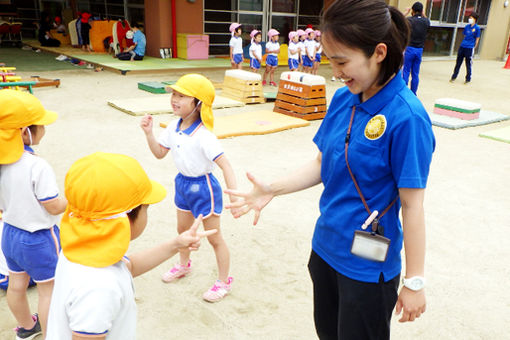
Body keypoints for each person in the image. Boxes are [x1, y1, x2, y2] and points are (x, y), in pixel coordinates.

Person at [226, 0, 435, 338]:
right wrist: (272, 189)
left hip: (367, 268)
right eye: (331, 60)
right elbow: (322, 164)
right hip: (325, 251)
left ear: (379, 52)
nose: (335, 72)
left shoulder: (406, 118)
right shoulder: (343, 99)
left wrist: (414, 281)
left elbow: (413, 205)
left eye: (342, 61)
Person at [46, 152, 216, 339]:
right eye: (146, 207)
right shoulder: (99, 287)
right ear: (125, 218)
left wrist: (176, 244)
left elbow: (129, 267)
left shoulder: (80, 248)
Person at [140, 74, 239, 303]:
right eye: (174, 94)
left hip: (204, 188)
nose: (174, 99)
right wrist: (148, 133)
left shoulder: (205, 136)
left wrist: (234, 199)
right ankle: (184, 265)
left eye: (182, 96)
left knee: (215, 238)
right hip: (182, 184)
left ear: (198, 104)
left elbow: (226, 166)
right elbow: (159, 153)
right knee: (183, 231)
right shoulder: (173, 126)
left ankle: (224, 281)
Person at [0, 89, 68, 339]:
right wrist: (70, 200)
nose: (44, 128)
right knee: (48, 290)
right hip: (38, 237)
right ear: (23, 131)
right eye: (40, 124)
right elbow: (52, 205)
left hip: (10, 233)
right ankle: (53, 334)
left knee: (16, 285)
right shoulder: (37, 166)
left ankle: (27, 328)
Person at [402, 2, 430, 95]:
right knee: (415, 73)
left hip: (409, 48)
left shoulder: (409, 20)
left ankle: (404, 92)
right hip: (419, 50)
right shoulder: (426, 21)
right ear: (422, 11)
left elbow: (399, 19)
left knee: (406, 71)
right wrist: (423, 13)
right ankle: (413, 93)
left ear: (412, 11)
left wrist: (406, 12)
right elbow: (426, 19)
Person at [450, 12, 480, 84]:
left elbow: (477, 38)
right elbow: (464, 35)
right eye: (469, 18)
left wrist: (474, 46)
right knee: (458, 62)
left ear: (475, 19)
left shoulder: (477, 28)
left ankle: (468, 78)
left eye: (471, 18)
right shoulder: (467, 27)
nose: (470, 19)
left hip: (469, 48)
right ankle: (454, 76)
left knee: (468, 64)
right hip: (463, 46)